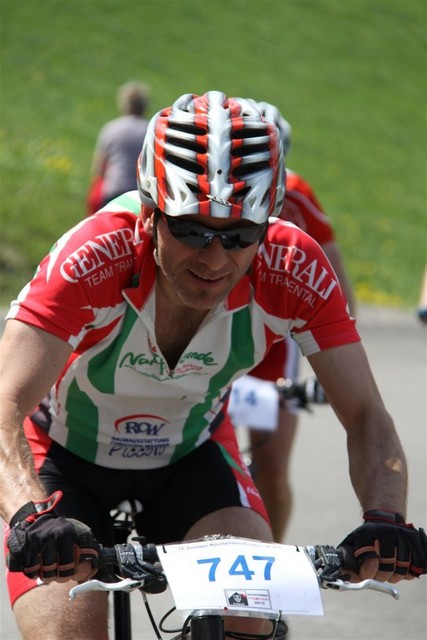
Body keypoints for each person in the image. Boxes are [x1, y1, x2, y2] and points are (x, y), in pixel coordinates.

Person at [0, 91, 426, 640]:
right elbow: (4, 405)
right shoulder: (93, 258)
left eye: (239, 235)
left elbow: (366, 413)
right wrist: (30, 515)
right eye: (190, 230)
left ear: (267, 224)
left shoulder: (292, 265)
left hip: (191, 456)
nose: (215, 258)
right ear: (150, 213)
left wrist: (385, 518)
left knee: (249, 620)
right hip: (61, 461)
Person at [229, 101, 356, 542]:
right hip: (210, 329)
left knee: (272, 465)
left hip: (273, 341)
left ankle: (273, 556)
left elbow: (334, 271)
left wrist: (340, 342)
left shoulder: (297, 192)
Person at [87, 80, 150, 214]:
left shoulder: (111, 129)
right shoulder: (151, 131)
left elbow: (98, 170)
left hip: (114, 191)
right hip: (140, 196)